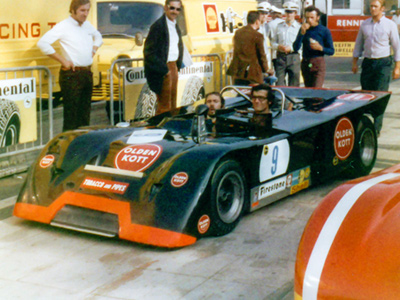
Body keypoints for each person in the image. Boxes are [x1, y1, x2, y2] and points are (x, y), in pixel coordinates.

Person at [37, 0, 103, 131]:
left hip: (86, 74)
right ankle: (69, 147)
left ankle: (83, 145)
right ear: (73, 10)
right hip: (71, 75)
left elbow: (99, 37)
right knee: (71, 116)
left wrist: (94, 49)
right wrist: (63, 60)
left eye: (87, 11)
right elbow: (43, 43)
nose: (85, 14)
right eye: (82, 11)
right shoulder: (63, 26)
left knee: (85, 115)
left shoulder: (87, 25)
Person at [352, 0, 400, 135]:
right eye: (371, 6)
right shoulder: (365, 24)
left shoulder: (390, 25)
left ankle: (377, 127)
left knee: (380, 94)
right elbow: (358, 44)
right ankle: (365, 123)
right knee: (366, 93)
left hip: (383, 64)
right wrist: (355, 62)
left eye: (375, 6)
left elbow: (397, 47)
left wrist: (397, 67)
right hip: (368, 63)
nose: (372, 9)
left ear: (382, 8)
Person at [144, 0, 184, 115]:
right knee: (164, 107)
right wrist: (164, 70)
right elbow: (148, 52)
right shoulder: (158, 26)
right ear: (166, 8)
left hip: (173, 66)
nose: (174, 11)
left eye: (177, 9)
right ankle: (161, 131)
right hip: (163, 68)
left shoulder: (175, 25)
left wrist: (176, 67)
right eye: (172, 8)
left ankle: (171, 130)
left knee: (173, 105)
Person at [293, 6, 334, 88]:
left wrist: (320, 48)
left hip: (318, 62)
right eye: (307, 18)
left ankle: (317, 100)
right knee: (308, 90)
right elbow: (295, 47)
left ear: (317, 18)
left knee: (316, 91)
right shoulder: (303, 29)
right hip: (306, 62)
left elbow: (331, 51)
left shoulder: (324, 30)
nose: (309, 20)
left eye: (312, 17)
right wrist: (301, 33)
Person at [227, 11, 271, 85]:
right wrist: (266, 69)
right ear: (257, 21)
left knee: (239, 92)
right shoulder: (258, 35)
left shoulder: (238, 32)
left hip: (238, 71)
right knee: (254, 93)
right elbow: (261, 55)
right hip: (252, 73)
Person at [272, 1, 301, 86]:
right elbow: (273, 42)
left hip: (294, 56)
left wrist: (291, 48)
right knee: (279, 83)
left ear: (295, 13)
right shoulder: (279, 26)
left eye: (291, 12)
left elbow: (301, 45)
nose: (289, 14)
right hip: (281, 57)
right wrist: (278, 47)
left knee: (294, 83)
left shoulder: (299, 28)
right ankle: (281, 99)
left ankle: (292, 99)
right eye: (287, 12)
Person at [266, 6, 284, 72]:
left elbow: (267, 37)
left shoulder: (270, 24)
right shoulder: (284, 23)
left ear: (274, 14)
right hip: (284, 52)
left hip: (274, 52)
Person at [257, 2, 272, 70]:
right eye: (262, 13)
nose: (264, 16)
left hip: (265, 57)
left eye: (266, 13)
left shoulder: (266, 26)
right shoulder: (255, 26)